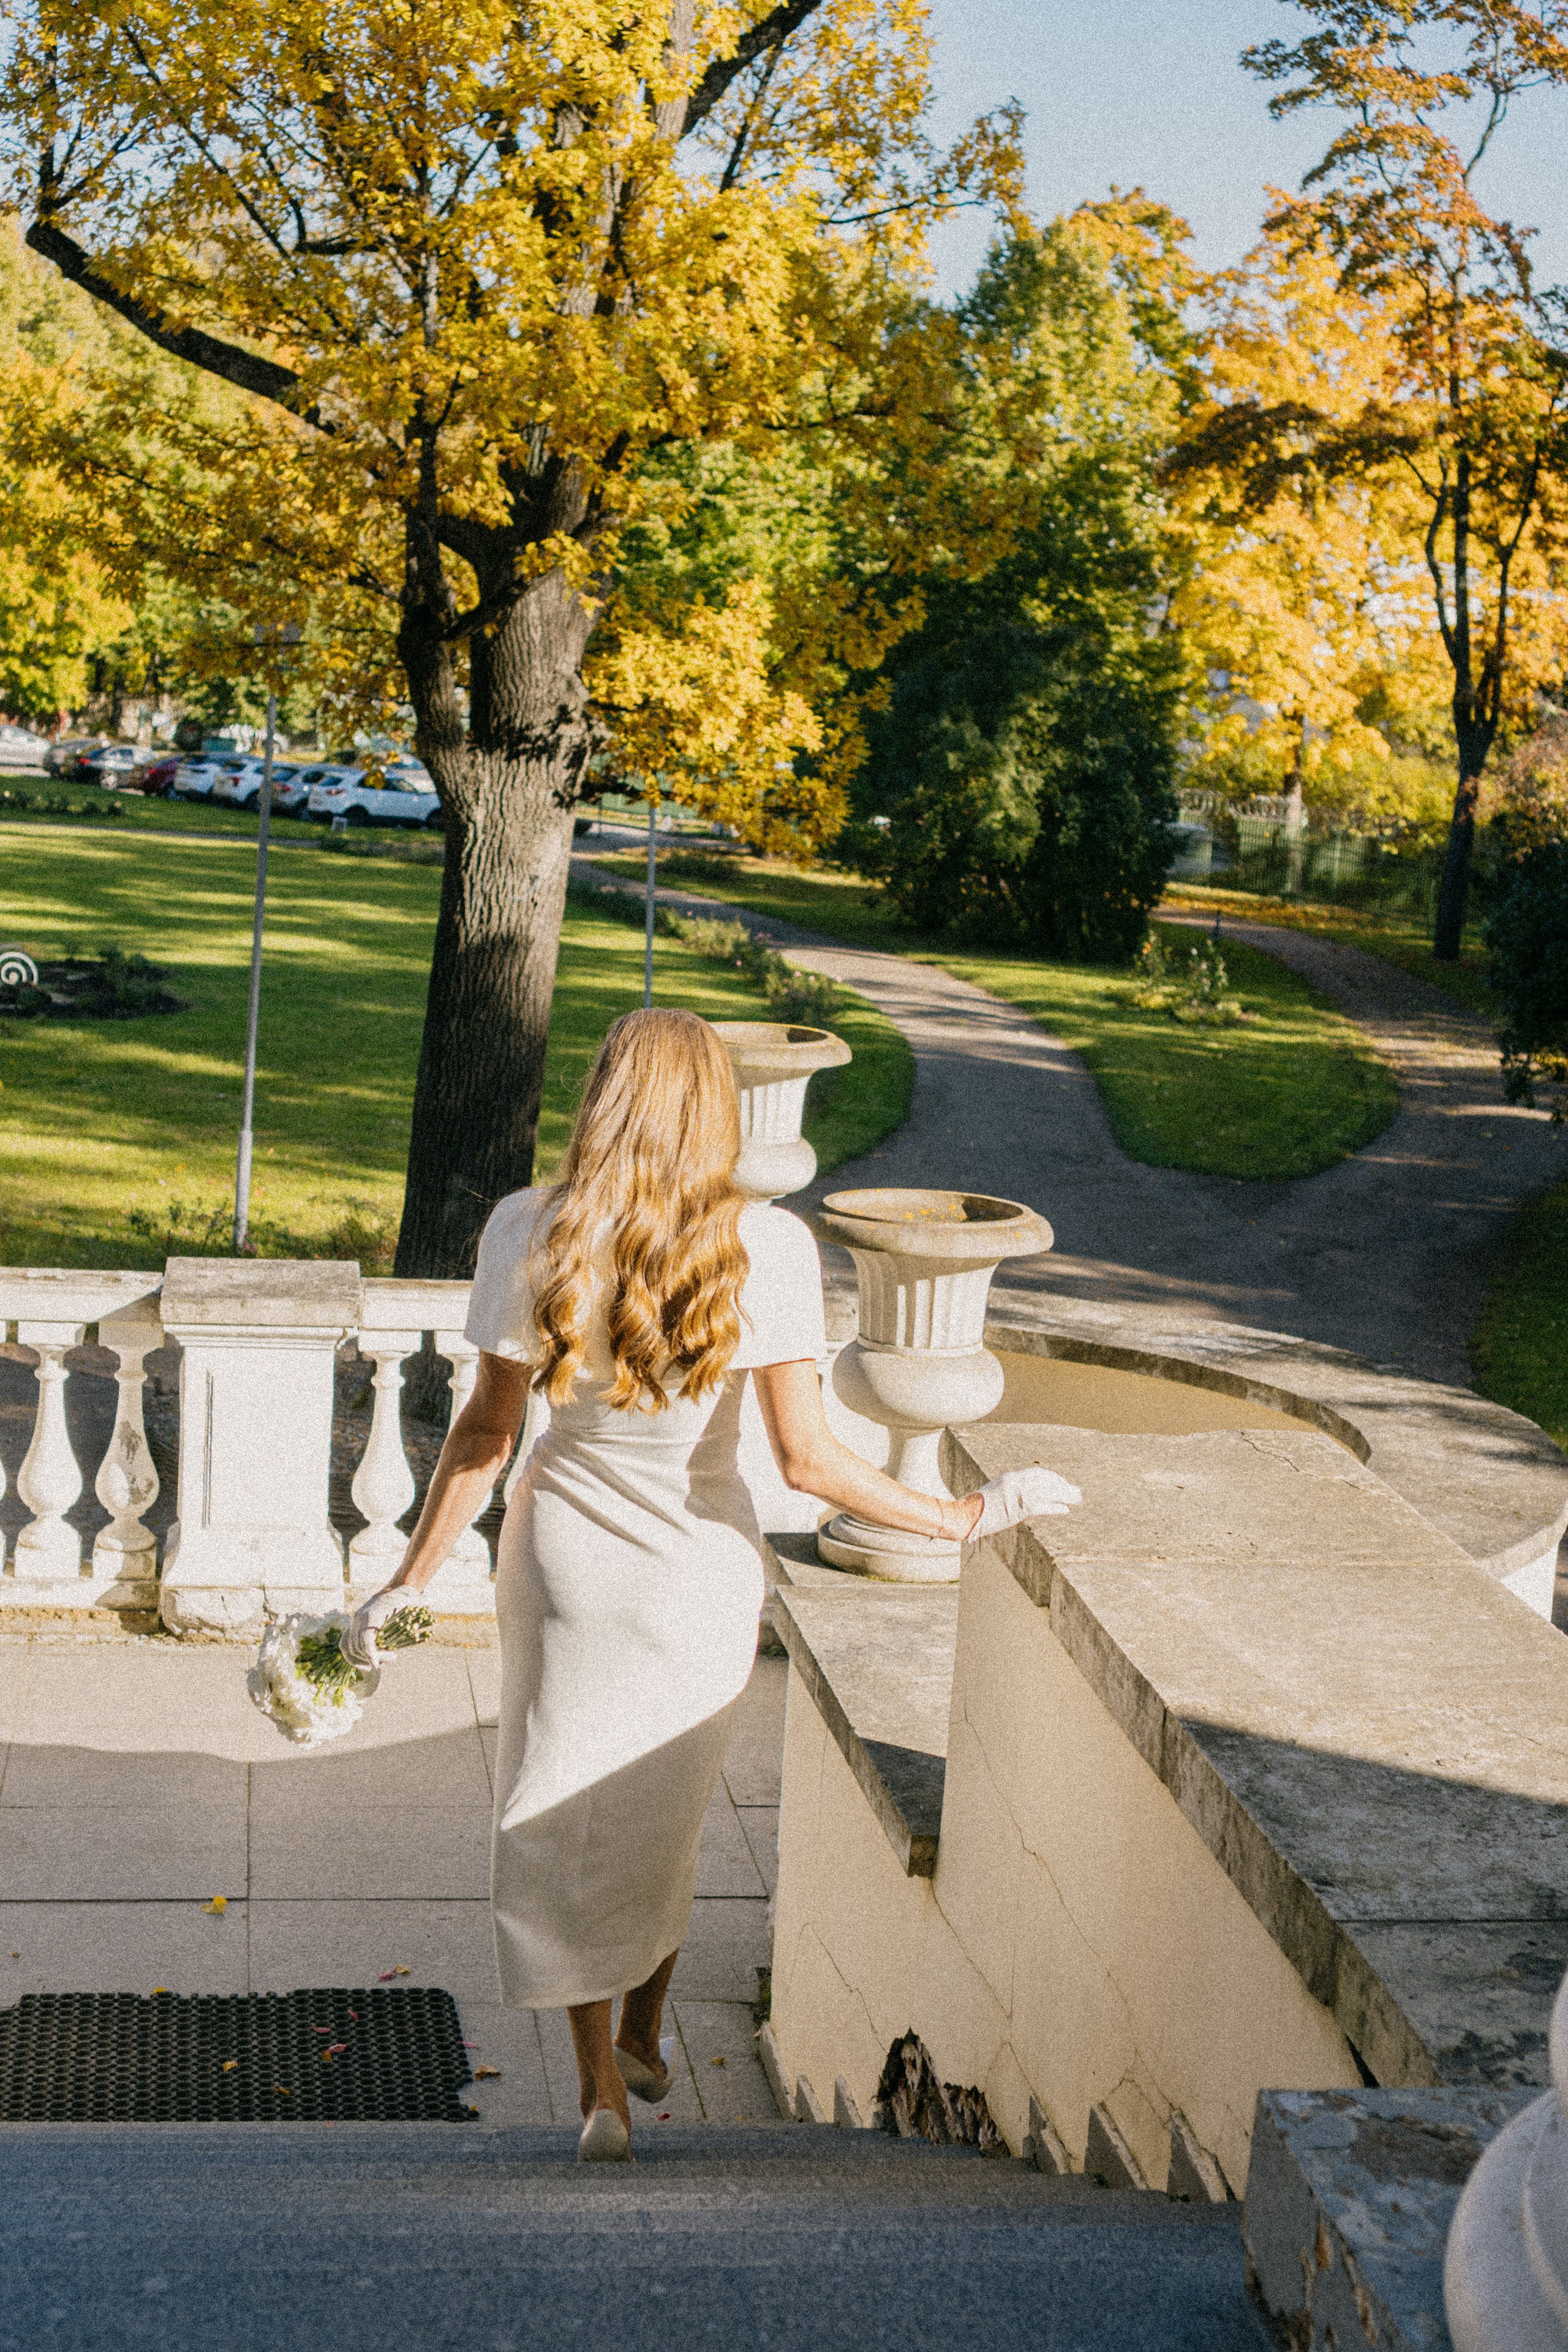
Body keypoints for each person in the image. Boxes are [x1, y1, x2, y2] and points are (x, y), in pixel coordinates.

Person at [344, 1008, 1077, 2162]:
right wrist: (961, 1515)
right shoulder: (767, 1248)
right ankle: (643, 2028)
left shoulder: (526, 1227)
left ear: (604, 1097)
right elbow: (808, 1460)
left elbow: (485, 1434)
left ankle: (603, 2086)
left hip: (566, 1556)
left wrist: (404, 1579)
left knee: (561, 1803)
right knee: (665, 1806)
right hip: (700, 1571)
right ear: (715, 1110)